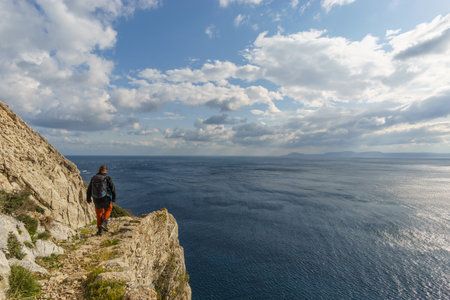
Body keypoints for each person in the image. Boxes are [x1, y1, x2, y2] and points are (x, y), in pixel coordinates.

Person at [86, 165, 116, 236]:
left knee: (99, 213)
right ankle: (104, 223)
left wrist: (88, 198)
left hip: (96, 198)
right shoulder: (107, 178)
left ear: (99, 170)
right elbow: (113, 189)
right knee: (108, 209)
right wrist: (113, 199)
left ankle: (99, 231)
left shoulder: (93, 178)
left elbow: (89, 189)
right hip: (105, 198)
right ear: (105, 171)